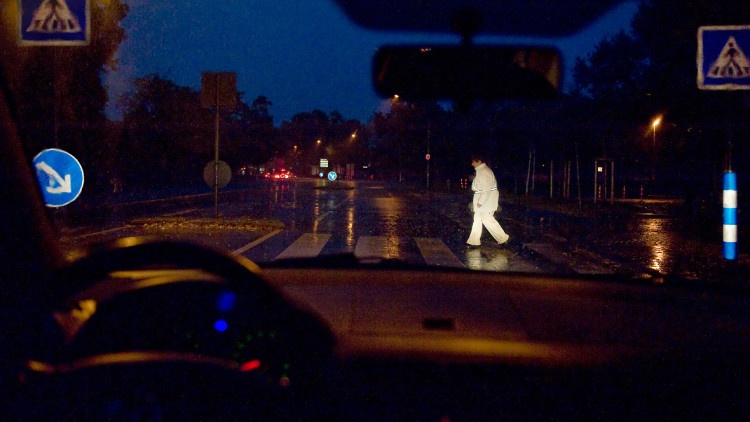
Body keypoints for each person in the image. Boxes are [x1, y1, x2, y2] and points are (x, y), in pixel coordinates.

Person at [466, 155, 510, 248]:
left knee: (487, 219)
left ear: (479, 161)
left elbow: (486, 190)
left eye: (474, 161)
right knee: (478, 219)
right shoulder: (482, 171)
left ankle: (503, 238)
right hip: (485, 199)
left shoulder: (484, 172)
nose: (472, 164)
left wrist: (480, 202)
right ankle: (474, 241)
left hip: (486, 201)